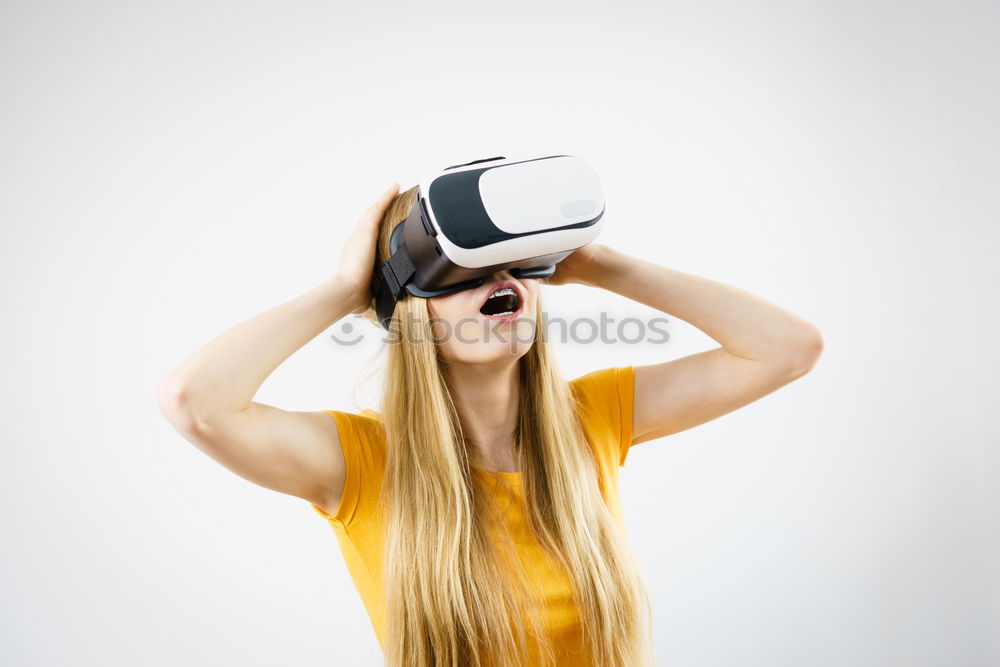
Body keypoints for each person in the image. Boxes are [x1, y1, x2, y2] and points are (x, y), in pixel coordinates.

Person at [156, 181, 824, 667]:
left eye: (513, 262)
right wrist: (342, 289)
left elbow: (787, 349)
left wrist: (599, 264)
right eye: (459, 269)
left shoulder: (591, 421)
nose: (498, 278)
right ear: (407, 305)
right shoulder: (359, 462)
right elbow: (195, 401)